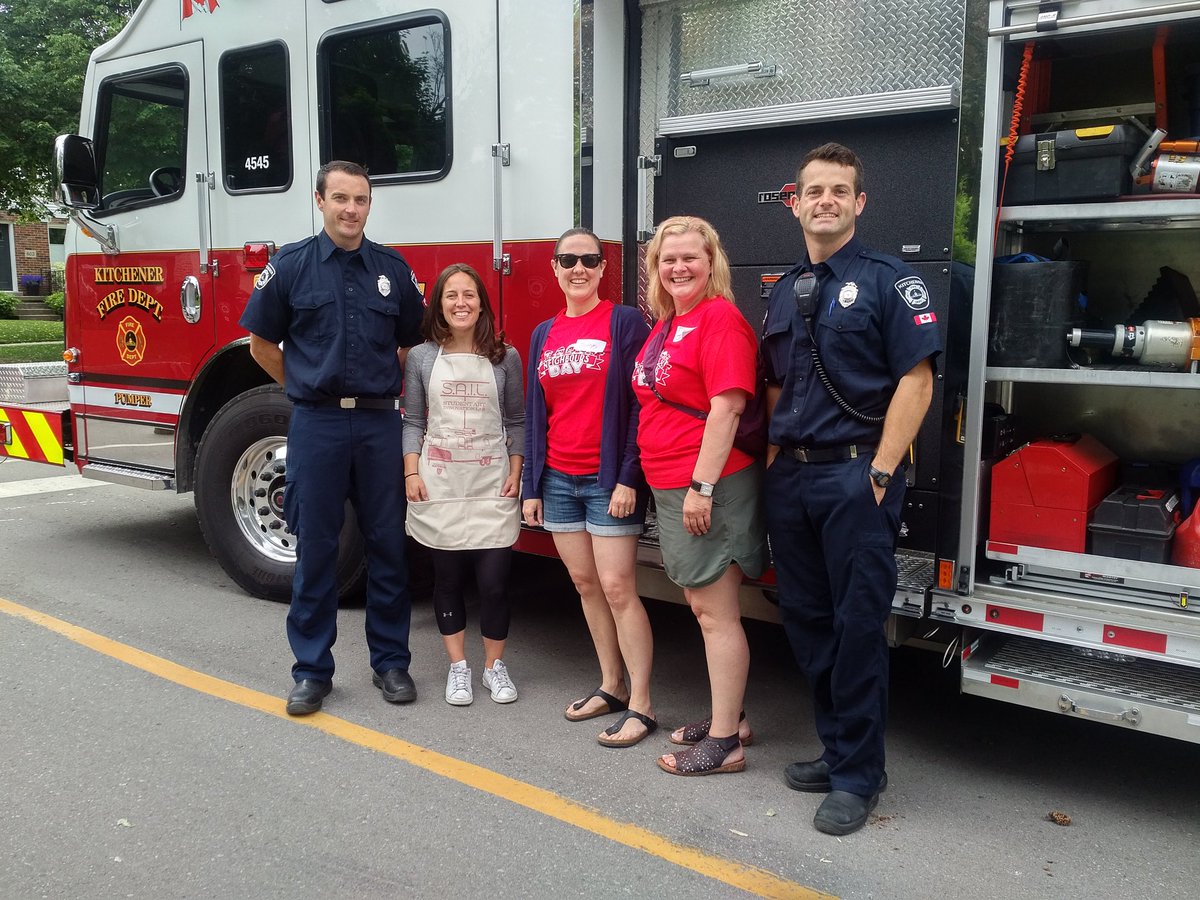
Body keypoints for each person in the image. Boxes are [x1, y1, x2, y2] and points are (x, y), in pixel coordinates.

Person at [762, 143, 942, 834]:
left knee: (857, 627)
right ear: (796, 201)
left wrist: (880, 471)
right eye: (815, 190)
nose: (826, 200)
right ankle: (839, 751)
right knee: (806, 621)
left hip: (855, 475)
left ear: (859, 203)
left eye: (840, 190)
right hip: (796, 477)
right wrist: (776, 466)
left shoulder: (891, 281)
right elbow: (777, 386)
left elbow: (917, 381)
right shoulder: (785, 290)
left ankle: (860, 777)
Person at [240, 160, 424, 715]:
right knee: (316, 548)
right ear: (319, 202)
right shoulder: (291, 266)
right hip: (316, 423)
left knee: (388, 546)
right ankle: (312, 670)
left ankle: (390, 663)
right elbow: (260, 344)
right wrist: (303, 386)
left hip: (376, 423)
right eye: (340, 198)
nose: (351, 209)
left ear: (370, 206)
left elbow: (410, 343)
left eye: (361, 200)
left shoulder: (392, 269)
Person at [633, 215, 765, 777]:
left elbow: (728, 407)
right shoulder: (669, 322)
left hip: (708, 485)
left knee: (716, 615)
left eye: (690, 257)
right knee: (702, 606)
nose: (678, 267)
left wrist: (701, 487)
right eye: (668, 259)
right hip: (673, 483)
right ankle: (728, 719)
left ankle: (724, 743)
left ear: (712, 262)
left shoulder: (720, 320)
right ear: (655, 269)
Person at [522, 227, 657, 748]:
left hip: (607, 481)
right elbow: (538, 414)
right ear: (554, 269)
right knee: (585, 584)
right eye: (568, 260)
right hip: (558, 478)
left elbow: (639, 404)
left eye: (589, 260)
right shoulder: (543, 333)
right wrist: (532, 485)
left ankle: (642, 704)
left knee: (620, 587)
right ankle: (612, 685)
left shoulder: (623, 322)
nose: (578, 268)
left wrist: (628, 475)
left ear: (604, 269)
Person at [403, 264, 524, 706]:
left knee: (494, 582)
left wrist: (516, 470)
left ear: (482, 303)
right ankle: (459, 668)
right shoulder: (421, 357)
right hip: (441, 481)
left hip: (492, 481)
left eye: (469, 295)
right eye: (451, 295)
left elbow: (517, 421)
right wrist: (411, 472)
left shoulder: (505, 356)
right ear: (439, 303)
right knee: (447, 579)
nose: (460, 303)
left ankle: (494, 667)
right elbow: (414, 420)